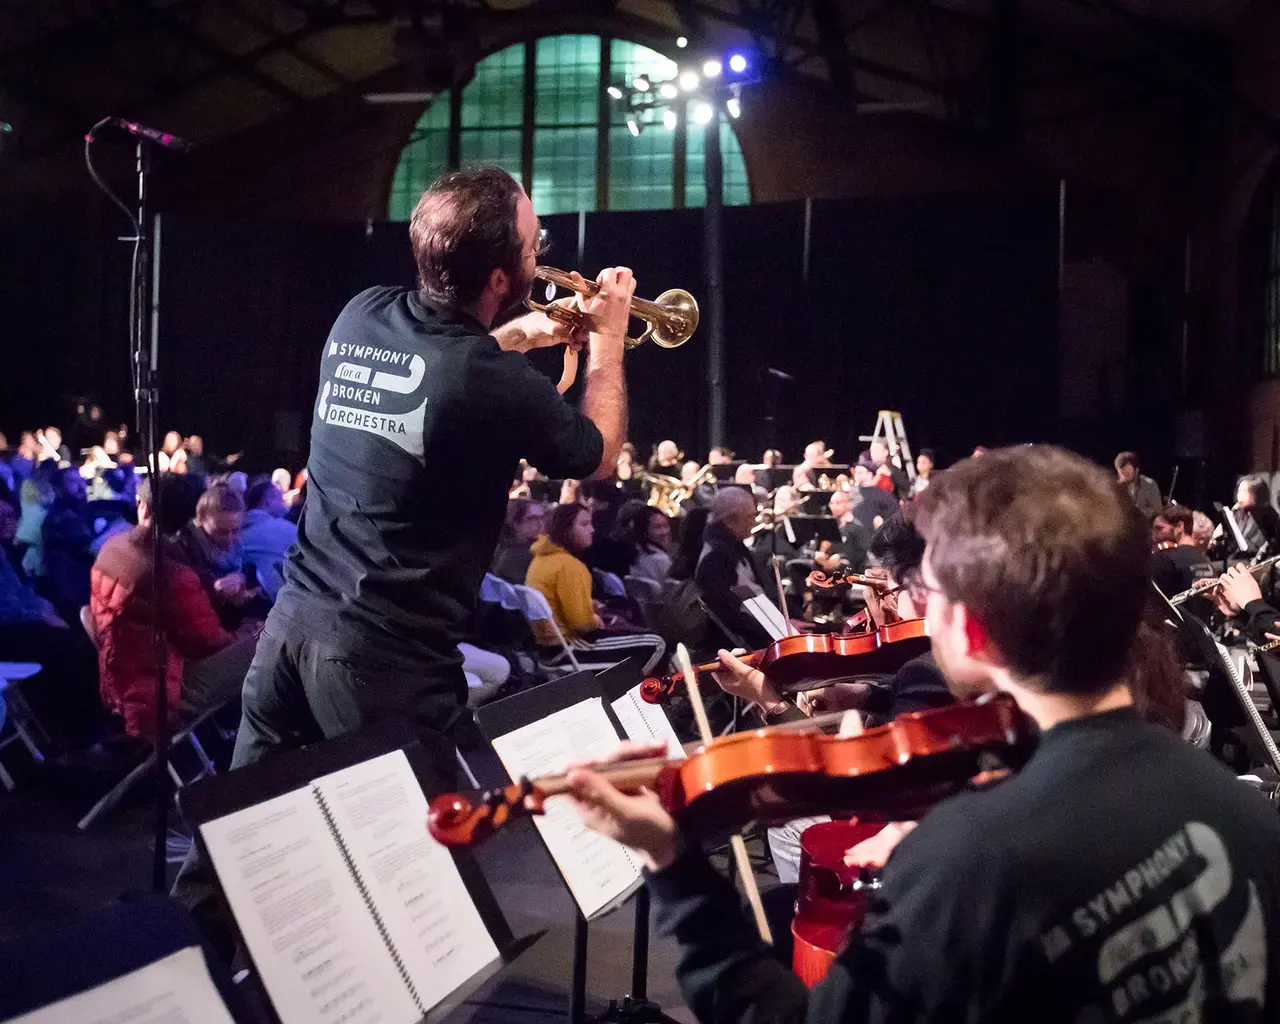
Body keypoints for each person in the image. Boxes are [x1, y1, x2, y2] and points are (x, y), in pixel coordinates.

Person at [565, 444, 1280, 1022]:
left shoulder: (968, 861)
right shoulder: (1244, 812)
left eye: (928, 595)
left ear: (969, 630)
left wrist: (674, 864)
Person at [226, 165, 627, 780]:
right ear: (500, 277)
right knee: (426, 859)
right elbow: (597, 454)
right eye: (534, 245)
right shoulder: (488, 379)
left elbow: (445, 368)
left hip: (289, 635)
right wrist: (608, 340)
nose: (541, 254)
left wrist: (522, 333)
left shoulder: (360, 314)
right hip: (385, 662)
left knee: (243, 851)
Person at [91, 474, 259, 739]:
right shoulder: (169, 573)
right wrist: (247, 634)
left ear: (143, 507)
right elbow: (208, 642)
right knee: (267, 645)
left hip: (122, 675)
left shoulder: (111, 548)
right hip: (159, 692)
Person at [526, 503, 665, 674]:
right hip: (569, 649)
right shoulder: (568, 565)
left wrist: (587, 604)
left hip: (546, 649)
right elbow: (582, 624)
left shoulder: (540, 560)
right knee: (657, 643)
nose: (592, 530)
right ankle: (636, 697)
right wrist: (597, 619)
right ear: (566, 529)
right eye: (584, 524)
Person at [695, 488, 776, 648]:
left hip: (765, 623)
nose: (754, 522)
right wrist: (777, 630)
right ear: (730, 521)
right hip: (744, 643)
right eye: (749, 517)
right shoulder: (715, 559)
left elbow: (750, 594)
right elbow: (732, 614)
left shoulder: (733, 546)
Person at [172, 484, 259, 629]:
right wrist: (216, 593)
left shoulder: (242, 545)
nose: (231, 538)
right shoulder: (184, 549)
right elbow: (187, 608)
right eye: (221, 532)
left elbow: (252, 580)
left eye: (236, 530)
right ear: (200, 521)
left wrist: (246, 593)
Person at [40, 465, 94, 623]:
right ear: (58, 488)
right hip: (70, 593)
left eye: (80, 479)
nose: (79, 484)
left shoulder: (85, 511)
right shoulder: (57, 517)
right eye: (72, 481)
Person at [239, 479, 297, 601]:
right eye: (280, 498)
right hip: (285, 600)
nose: (284, 503)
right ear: (268, 501)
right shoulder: (285, 529)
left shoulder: (237, 528)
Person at [1150, 503, 1212, 598]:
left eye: (1159, 529)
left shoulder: (1164, 559)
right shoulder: (1206, 562)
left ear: (1179, 527)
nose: (1153, 535)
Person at [491, 498, 547, 584]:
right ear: (516, 524)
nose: (540, 524)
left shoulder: (539, 548)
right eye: (533, 519)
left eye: (542, 518)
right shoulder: (514, 555)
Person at [1230, 474, 1280, 557]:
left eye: (1244, 491)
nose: (1240, 495)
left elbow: (1257, 546)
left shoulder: (1267, 515)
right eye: (1239, 491)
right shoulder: (1238, 513)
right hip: (1241, 558)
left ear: (1257, 494)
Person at [850, 457, 898, 533]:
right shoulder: (851, 492)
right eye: (856, 472)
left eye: (860, 472)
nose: (857, 474)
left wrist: (882, 521)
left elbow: (894, 514)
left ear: (870, 474)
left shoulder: (883, 495)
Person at [1115, 450, 1162, 520]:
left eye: (1127, 474)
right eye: (1122, 474)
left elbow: (1158, 510)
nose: (1124, 478)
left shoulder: (1149, 484)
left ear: (1136, 470)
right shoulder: (1117, 486)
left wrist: (1137, 513)